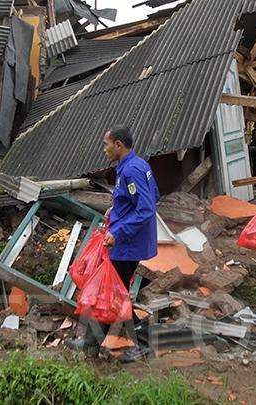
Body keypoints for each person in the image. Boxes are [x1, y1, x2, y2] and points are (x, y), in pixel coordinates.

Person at [67, 125, 160, 362]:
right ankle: (91, 343)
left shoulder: (132, 171)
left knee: (113, 294)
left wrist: (119, 232)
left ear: (118, 144)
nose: (104, 149)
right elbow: (151, 195)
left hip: (128, 244)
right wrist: (117, 209)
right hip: (128, 240)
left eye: (106, 144)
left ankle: (143, 344)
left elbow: (147, 208)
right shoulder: (134, 166)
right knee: (111, 293)